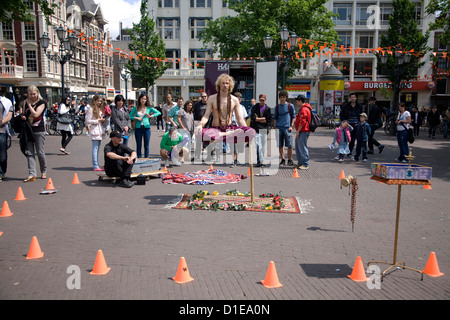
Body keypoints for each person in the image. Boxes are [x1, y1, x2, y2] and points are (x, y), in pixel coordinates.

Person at [194, 74, 255, 161]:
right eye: (223, 83)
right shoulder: (211, 98)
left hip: (229, 129)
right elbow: (206, 116)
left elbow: (240, 119)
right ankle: (219, 137)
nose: (225, 85)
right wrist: (201, 124)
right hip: (215, 130)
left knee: (252, 132)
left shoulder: (234, 100)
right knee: (198, 132)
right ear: (219, 84)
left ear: (230, 85)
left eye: (227, 83)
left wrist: (247, 131)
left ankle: (220, 137)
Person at [20, 85, 48, 182]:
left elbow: (36, 114)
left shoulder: (42, 102)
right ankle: (32, 174)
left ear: (37, 93)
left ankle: (43, 170)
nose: (32, 96)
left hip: (39, 129)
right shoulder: (25, 102)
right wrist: (23, 116)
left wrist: (29, 106)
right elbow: (24, 113)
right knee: (30, 153)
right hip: (28, 130)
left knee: (40, 152)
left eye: (34, 94)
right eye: (30, 94)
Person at [129, 93, 161, 158]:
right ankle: (139, 159)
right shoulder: (136, 108)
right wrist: (136, 118)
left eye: (145, 99)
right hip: (138, 128)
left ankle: (146, 159)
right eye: (142, 99)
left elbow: (158, 112)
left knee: (146, 145)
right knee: (138, 145)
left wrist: (151, 116)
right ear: (140, 99)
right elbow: (130, 116)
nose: (143, 100)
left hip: (147, 128)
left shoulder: (149, 108)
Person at [85, 95, 109, 171]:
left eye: (100, 101)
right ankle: (95, 165)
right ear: (94, 101)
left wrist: (102, 119)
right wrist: (97, 121)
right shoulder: (91, 109)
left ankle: (97, 165)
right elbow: (87, 121)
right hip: (95, 130)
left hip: (99, 130)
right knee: (95, 148)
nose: (99, 102)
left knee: (97, 148)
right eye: (98, 101)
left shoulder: (99, 109)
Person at [273, 90, 295, 166]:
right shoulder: (277, 107)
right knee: (280, 145)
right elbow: (275, 117)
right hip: (279, 128)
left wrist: (291, 126)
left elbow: (293, 117)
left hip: (287, 128)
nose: (282, 99)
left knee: (290, 145)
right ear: (279, 98)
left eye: (284, 97)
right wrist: (275, 126)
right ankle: (282, 159)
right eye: (281, 97)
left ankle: (289, 160)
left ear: (286, 98)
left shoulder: (290, 106)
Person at [250, 94, 272, 167]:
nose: (262, 101)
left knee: (263, 146)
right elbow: (253, 118)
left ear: (265, 100)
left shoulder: (268, 108)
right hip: (256, 129)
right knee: (258, 146)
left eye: (263, 100)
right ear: (259, 100)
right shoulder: (255, 107)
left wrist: (258, 119)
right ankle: (259, 161)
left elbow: (268, 120)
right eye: (261, 100)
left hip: (264, 129)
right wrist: (263, 119)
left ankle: (262, 161)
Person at [340, 93, 362, 157]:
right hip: (348, 124)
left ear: (356, 98)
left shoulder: (359, 106)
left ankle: (349, 152)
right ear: (350, 98)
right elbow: (342, 115)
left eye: (354, 97)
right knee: (345, 139)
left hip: (356, 124)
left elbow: (362, 115)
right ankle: (343, 152)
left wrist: (359, 122)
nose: (353, 98)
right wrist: (344, 122)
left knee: (352, 140)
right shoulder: (345, 106)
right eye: (351, 97)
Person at [229, 92, 248, 167]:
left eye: (239, 99)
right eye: (236, 98)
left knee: (239, 145)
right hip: (232, 128)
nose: (238, 100)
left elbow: (244, 119)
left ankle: (237, 159)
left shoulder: (242, 108)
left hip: (240, 128)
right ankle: (234, 160)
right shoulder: (230, 108)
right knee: (233, 145)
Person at [294, 95, 312, 169]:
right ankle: (300, 162)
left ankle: (305, 164)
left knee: (302, 147)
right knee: (298, 147)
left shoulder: (304, 109)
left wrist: (298, 131)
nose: (296, 102)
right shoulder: (305, 108)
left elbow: (302, 122)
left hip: (303, 131)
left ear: (300, 101)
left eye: (297, 101)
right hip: (303, 131)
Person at [0, 87, 13, 182]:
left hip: (2, 130)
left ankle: (3, 170)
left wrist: (1, 122)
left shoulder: (6, 101)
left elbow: (9, 115)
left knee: (2, 155)